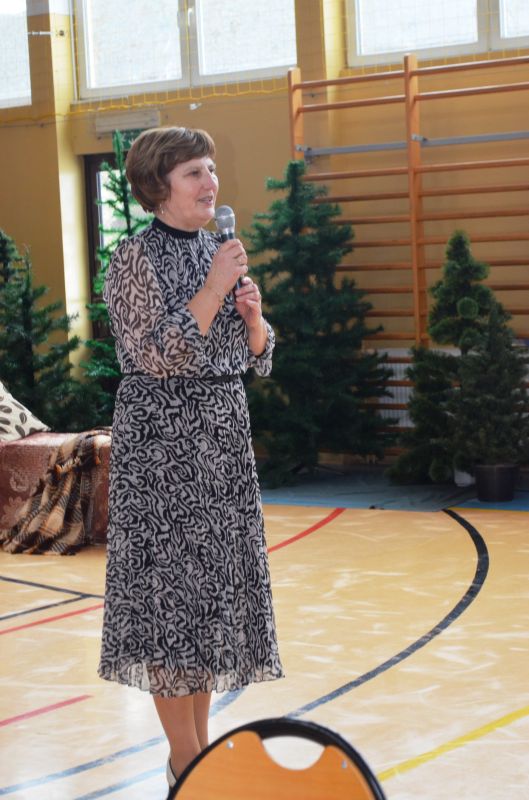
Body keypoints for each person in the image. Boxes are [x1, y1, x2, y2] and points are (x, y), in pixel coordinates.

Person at [98, 126, 284, 791]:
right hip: (163, 444)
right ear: (158, 186)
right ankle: (188, 761)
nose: (210, 183)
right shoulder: (132, 258)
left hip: (222, 439)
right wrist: (212, 288)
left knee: (204, 606)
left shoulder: (217, 251)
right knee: (166, 607)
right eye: (194, 173)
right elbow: (155, 355)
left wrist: (254, 322)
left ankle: (195, 758)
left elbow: (256, 357)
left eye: (210, 169)